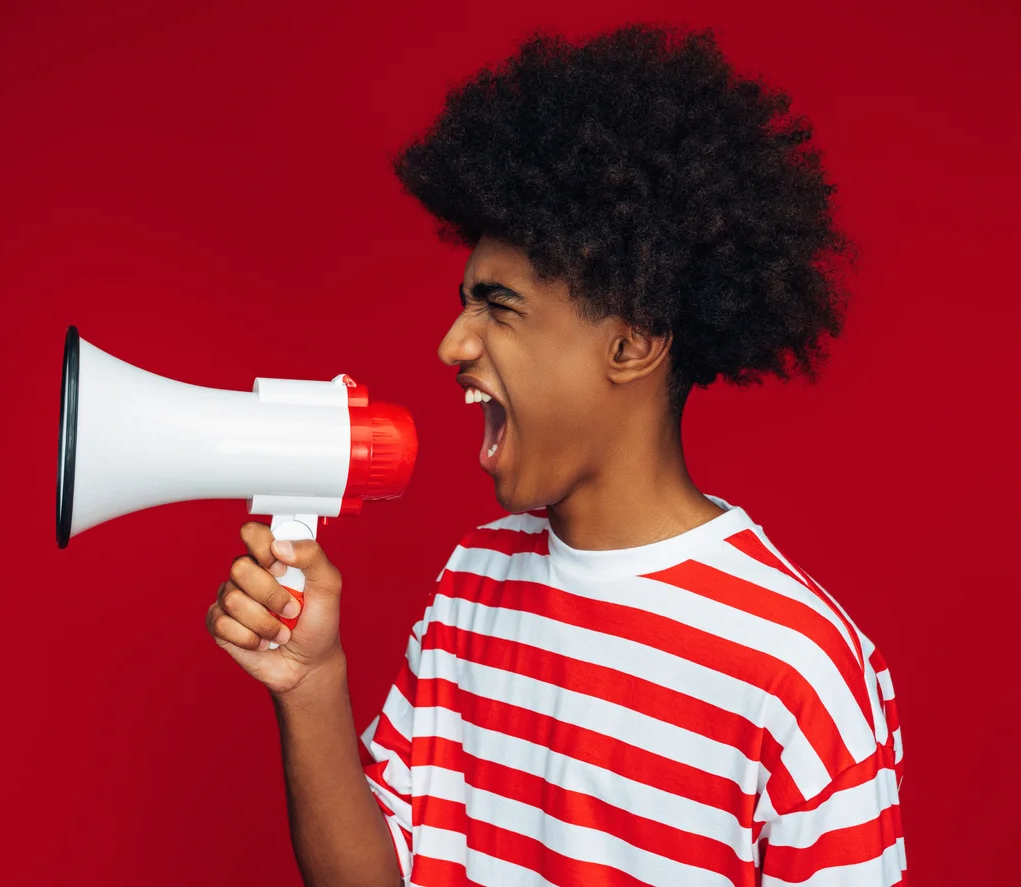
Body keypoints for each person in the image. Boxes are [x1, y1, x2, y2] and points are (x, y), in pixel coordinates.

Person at [205, 22, 906, 887]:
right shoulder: (473, 580)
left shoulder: (798, 670)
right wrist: (310, 682)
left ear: (632, 343)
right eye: (464, 301)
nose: (451, 344)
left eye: (498, 306)